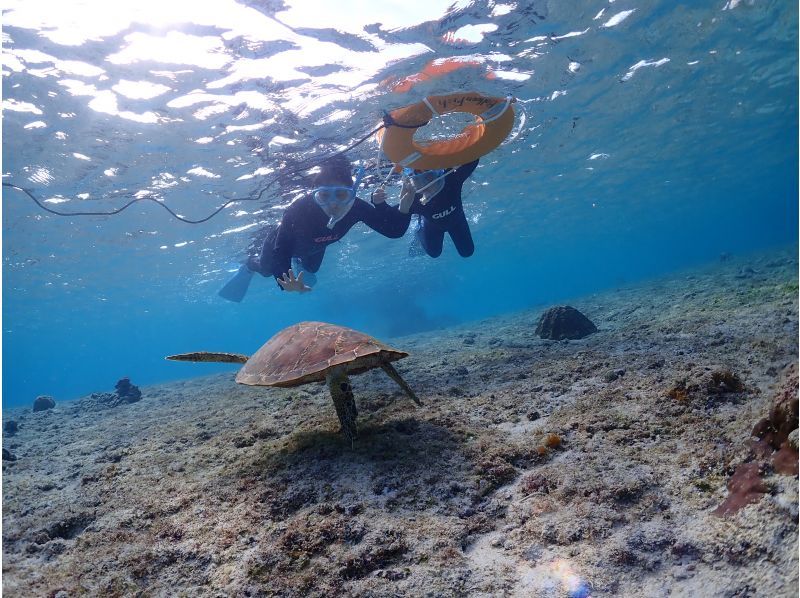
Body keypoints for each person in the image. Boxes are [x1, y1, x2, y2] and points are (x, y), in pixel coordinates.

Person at [219, 154, 413, 302]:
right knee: (267, 270)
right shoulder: (298, 210)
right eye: (324, 196)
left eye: (341, 195)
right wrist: (285, 282)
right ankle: (249, 266)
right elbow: (281, 251)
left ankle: (298, 265)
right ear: (315, 195)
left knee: (312, 270)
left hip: (314, 247)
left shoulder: (357, 207)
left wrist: (404, 208)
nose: (333, 204)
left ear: (352, 194)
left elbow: (394, 231)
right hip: (280, 246)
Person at [399, 159, 479, 258]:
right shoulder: (412, 198)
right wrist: (380, 203)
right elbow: (397, 221)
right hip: (433, 226)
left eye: (427, 172)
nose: (425, 181)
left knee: (467, 252)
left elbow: (473, 159)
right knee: (434, 253)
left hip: (456, 221)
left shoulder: (451, 179)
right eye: (419, 174)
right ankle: (418, 229)